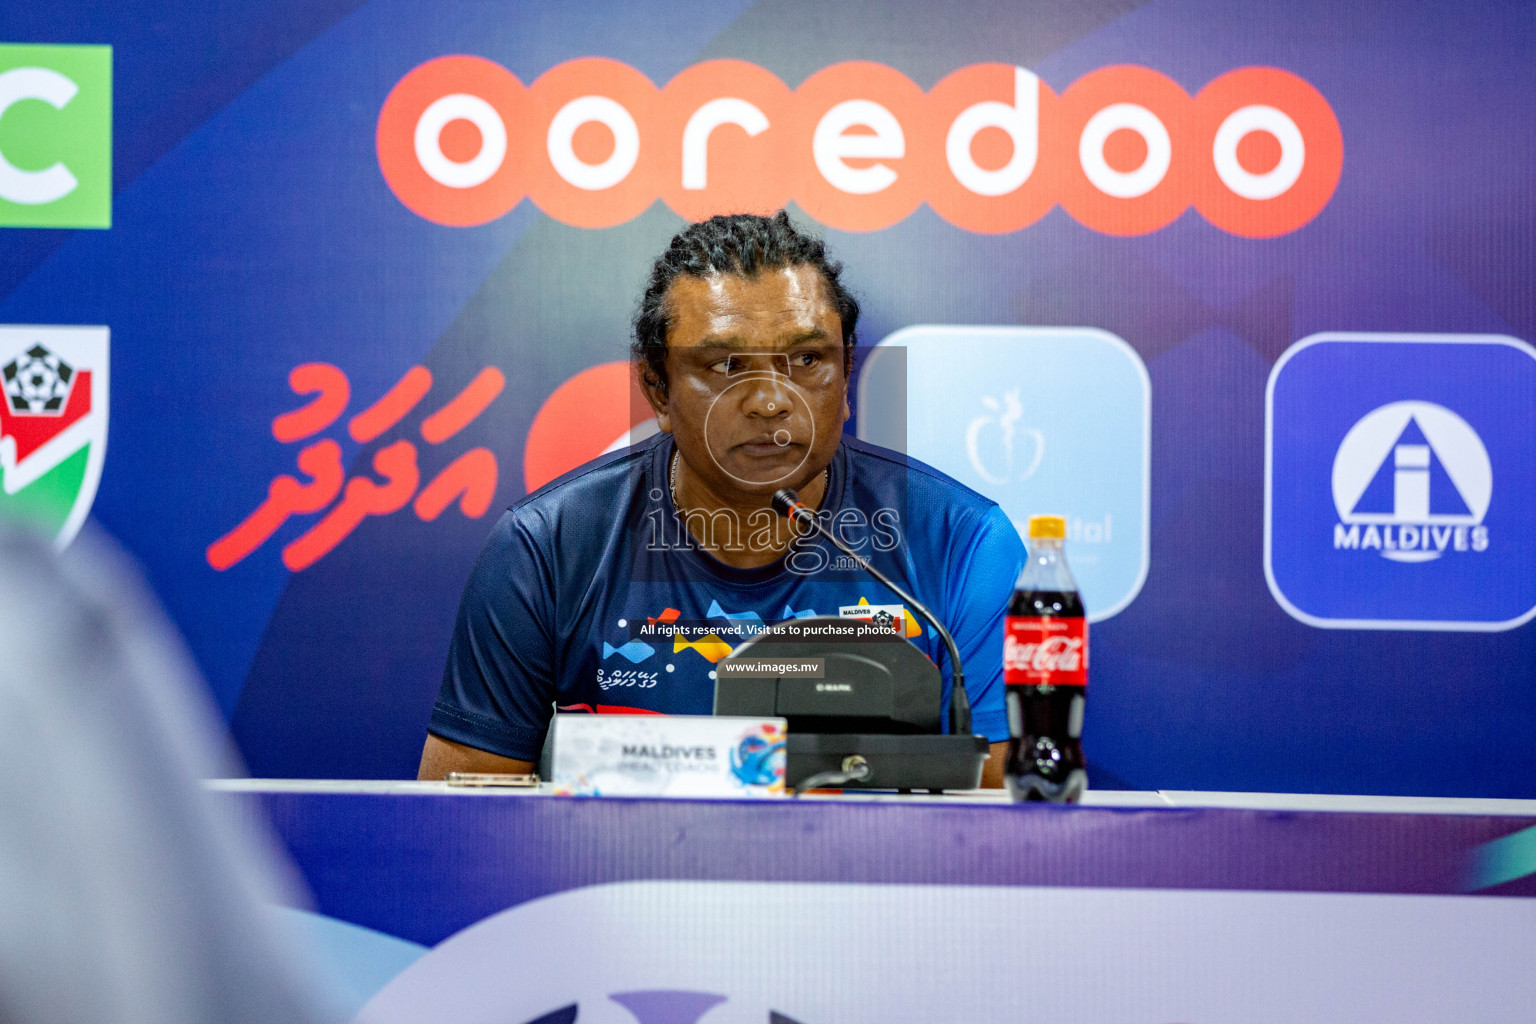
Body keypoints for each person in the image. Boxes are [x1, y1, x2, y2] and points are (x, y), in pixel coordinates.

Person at [419, 212, 1025, 786]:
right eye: (726, 365)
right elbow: (463, 829)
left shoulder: (963, 543)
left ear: (845, 384)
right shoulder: (546, 549)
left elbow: (1005, 827)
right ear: (657, 389)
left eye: (808, 360)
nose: (770, 400)